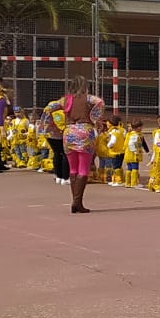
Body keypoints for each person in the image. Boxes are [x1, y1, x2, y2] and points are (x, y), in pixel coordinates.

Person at [59, 76, 103, 214]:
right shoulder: (88, 98)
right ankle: (77, 202)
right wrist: (95, 118)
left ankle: (75, 201)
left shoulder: (65, 99)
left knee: (73, 169)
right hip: (85, 131)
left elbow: (50, 107)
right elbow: (100, 102)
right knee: (83, 169)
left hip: (69, 132)